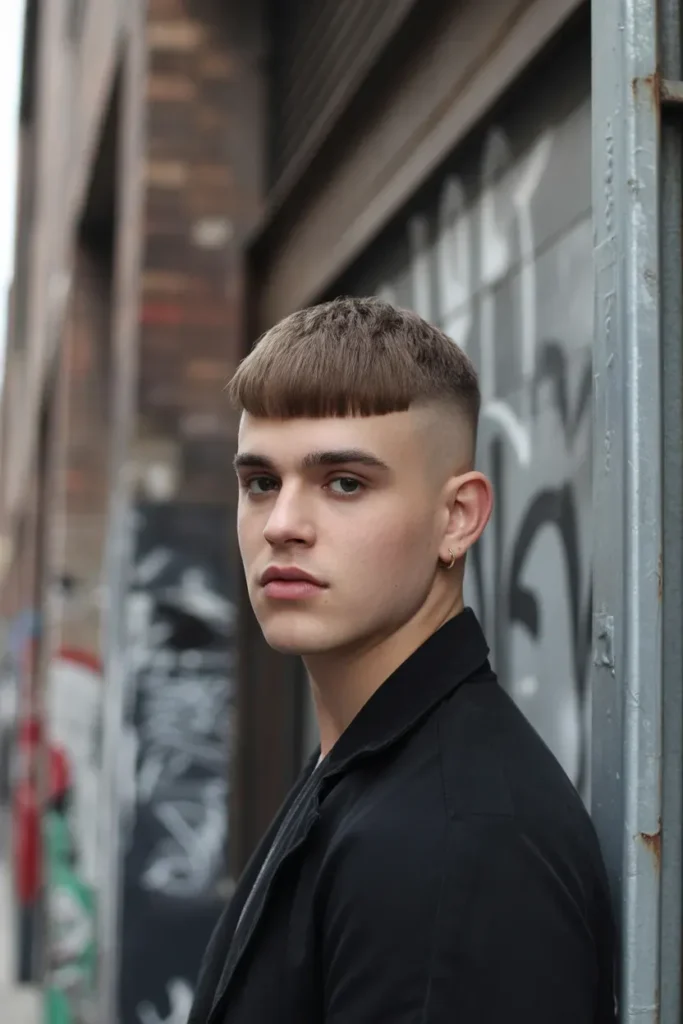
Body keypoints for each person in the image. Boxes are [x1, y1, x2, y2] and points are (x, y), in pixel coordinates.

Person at [188, 297, 617, 1024]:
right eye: (261, 482)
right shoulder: (366, 770)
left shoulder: (455, 846)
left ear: (457, 518)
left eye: (344, 482)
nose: (283, 525)